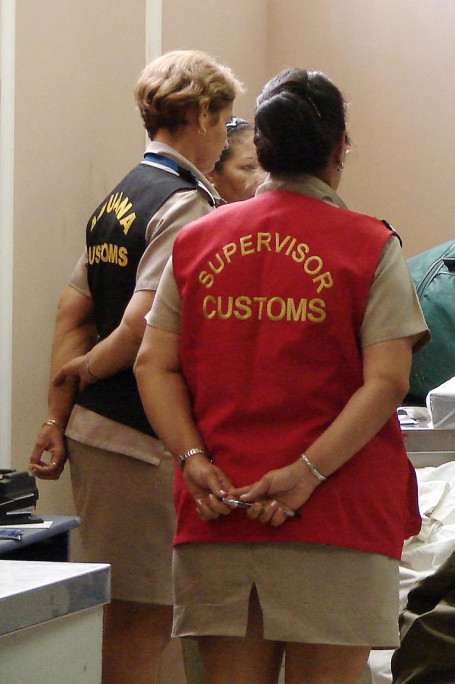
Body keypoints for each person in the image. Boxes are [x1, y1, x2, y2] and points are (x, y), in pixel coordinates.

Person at [134, 68, 429, 684]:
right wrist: (307, 472)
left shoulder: (197, 242)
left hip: (221, 510)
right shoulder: (368, 245)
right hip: (336, 517)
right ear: (339, 146)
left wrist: (191, 458)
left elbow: (152, 365)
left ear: (260, 149)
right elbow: (387, 381)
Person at [27, 50, 242, 683]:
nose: (225, 138)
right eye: (225, 120)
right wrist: (84, 373)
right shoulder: (181, 206)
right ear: (202, 113)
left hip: (98, 433)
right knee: (144, 622)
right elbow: (139, 327)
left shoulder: (117, 199)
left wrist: (56, 413)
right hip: (137, 439)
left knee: (136, 618)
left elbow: (73, 314)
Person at [209, 116, 266, 202]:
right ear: (211, 172)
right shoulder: (194, 210)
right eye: (248, 168)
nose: (264, 178)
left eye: (266, 165)